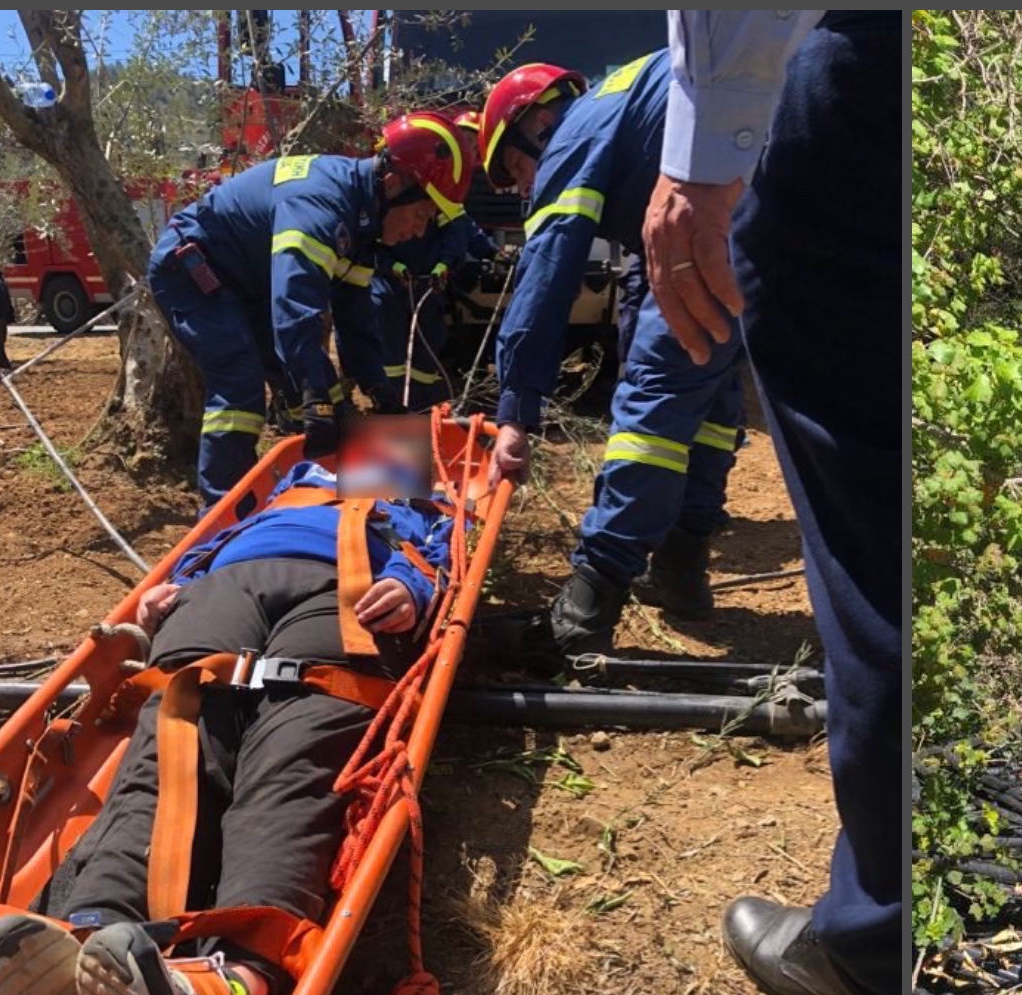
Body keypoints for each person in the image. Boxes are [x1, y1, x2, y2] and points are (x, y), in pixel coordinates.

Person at [0, 425, 450, 995]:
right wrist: (171, 590)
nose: (380, 454)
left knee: (294, 757)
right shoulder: (287, 492)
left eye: (398, 452)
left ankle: (236, 986)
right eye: (367, 448)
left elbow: (450, 561)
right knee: (170, 738)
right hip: (223, 589)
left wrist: (412, 586)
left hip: (351, 589)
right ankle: (85, 943)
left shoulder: (427, 510)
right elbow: (208, 540)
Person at [637, 10, 904, 995]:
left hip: (837, 85)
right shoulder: (581, 128)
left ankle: (880, 940)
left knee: (860, 501)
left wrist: (710, 143)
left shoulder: (626, 119)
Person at [480, 51, 747, 648]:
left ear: (535, 124)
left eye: (515, 168)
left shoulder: (572, 138)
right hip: (755, 208)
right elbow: (636, 280)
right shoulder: (622, 103)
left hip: (717, 220)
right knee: (709, 393)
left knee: (652, 407)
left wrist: (516, 411)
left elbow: (545, 276)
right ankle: (680, 569)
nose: (523, 185)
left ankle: (586, 608)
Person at [147, 110, 471, 513]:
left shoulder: (363, 229)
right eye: (422, 214)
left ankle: (356, 503)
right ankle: (224, 520)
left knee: (321, 395)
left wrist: (378, 391)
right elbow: (295, 307)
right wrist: (317, 399)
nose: (419, 231)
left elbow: (355, 322)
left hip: (246, 282)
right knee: (241, 385)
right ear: (394, 184)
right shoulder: (321, 204)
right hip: (194, 269)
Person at [375, 109, 499, 410]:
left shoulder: (447, 196)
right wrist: (392, 267)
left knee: (429, 336)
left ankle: (419, 398)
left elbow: (459, 231)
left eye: (474, 142)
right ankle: (389, 398)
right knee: (387, 335)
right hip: (390, 284)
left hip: (428, 281)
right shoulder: (393, 197)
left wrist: (449, 263)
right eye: (465, 140)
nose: (470, 149)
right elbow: (372, 244)